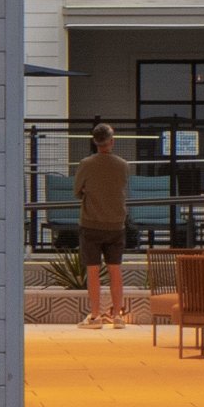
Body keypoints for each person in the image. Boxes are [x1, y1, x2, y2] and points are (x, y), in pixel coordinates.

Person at [73, 122, 132, 328]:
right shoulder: (123, 165)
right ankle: (117, 316)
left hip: (91, 223)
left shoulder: (86, 164)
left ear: (94, 141)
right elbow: (121, 186)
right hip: (116, 223)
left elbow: (77, 190)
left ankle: (95, 316)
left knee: (93, 270)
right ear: (111, 141)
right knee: (115, 269)